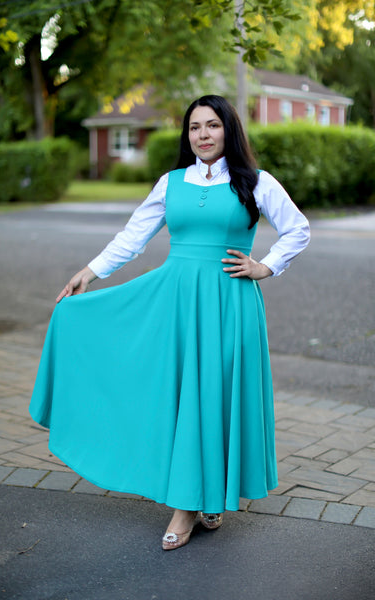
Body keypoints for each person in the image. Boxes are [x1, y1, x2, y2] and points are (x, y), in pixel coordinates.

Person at [30, 95, 310, 551]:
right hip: (175, 302)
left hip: (230, 305)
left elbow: (298, 229)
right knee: (182, 397)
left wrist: (266, 266)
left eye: (212, 125)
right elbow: (132, 237)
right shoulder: (171, 183)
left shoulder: (255, 182)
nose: (203, 134)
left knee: (216, 397)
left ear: (229, 130)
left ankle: (209, 497)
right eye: (194, 127)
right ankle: (187, 504)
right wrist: (89, 273)